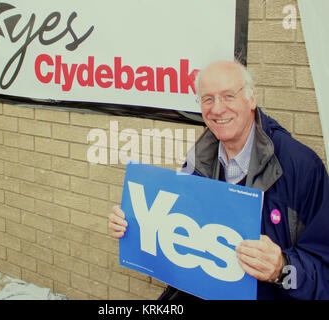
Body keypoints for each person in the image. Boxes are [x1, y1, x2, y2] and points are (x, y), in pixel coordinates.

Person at [108, 60, 329, 300]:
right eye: (208, 99)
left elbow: (324, 275)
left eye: (228, 96)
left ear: (251, 99)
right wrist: (135, 223)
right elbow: (180, 238)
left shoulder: (303, 167)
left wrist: (281, 269)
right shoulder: (199, 161)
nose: (217, 109)